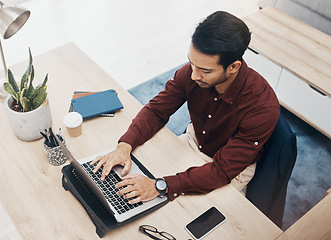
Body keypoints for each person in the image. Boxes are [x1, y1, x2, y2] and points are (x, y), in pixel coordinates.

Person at [91, 11, 280, 203]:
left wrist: (160, 185)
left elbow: (221, 171)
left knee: (175, 210)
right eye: (192, 63)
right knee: (134, 179)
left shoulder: (263, 107)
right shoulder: (192, 73)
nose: (193, 76)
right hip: (193, 140)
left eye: (205, 70)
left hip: (229, 169)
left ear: (233, 67)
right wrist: (125, 145)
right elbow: (157, 110)